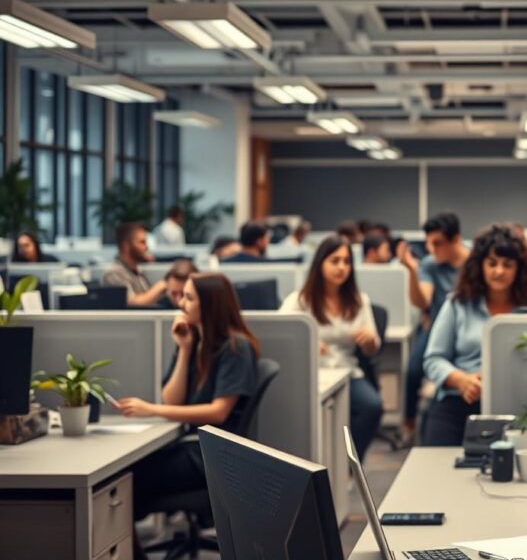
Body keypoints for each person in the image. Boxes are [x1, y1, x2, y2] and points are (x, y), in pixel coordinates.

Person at [117, 273, 259, 556]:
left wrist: (151, 410)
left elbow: (219, 412)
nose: (181, 303)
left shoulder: (235, 347)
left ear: (211, 304)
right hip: (193, 447)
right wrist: (183, 350)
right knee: (123, 478)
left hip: (213, 455)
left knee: (125, 481)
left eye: (189, 297)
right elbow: (173, 398)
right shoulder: (195, 341)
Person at [422, 224, 527, 446]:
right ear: (480, 266)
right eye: (492, 263)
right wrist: (460, 380)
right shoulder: (458, 303)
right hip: (460, 400)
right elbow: (433, 359)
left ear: (519, 269)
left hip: (520, 404)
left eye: (508, 265)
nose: (499, 271)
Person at [280, 235, 383, 461]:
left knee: (372, 406)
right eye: (335, 261)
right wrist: (305, 342)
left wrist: (369, 341)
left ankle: (348, 465)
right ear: (320, 264)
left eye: (346, 262)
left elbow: (373, 349)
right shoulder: (300, 300)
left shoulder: (358, 300)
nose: (342, 267)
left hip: (346, 371)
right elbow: (282, 337)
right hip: (311, 373)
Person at [395, 212, 470, 442]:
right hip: (437, 327)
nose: (431, 248)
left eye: (438, 243)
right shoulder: (430, 264)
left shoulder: (475, 263)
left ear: (455, 239)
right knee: (414, 371)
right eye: (428, 242)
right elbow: (422, 301)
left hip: (467, 328)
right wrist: (411, 271)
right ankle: (409, 423)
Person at [102, 222, 167, 306]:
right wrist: (162, 286)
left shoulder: (136, 270)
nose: (147, 247)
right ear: (126, 246)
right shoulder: (113, 274)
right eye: (142, 242)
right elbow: (133, 304)